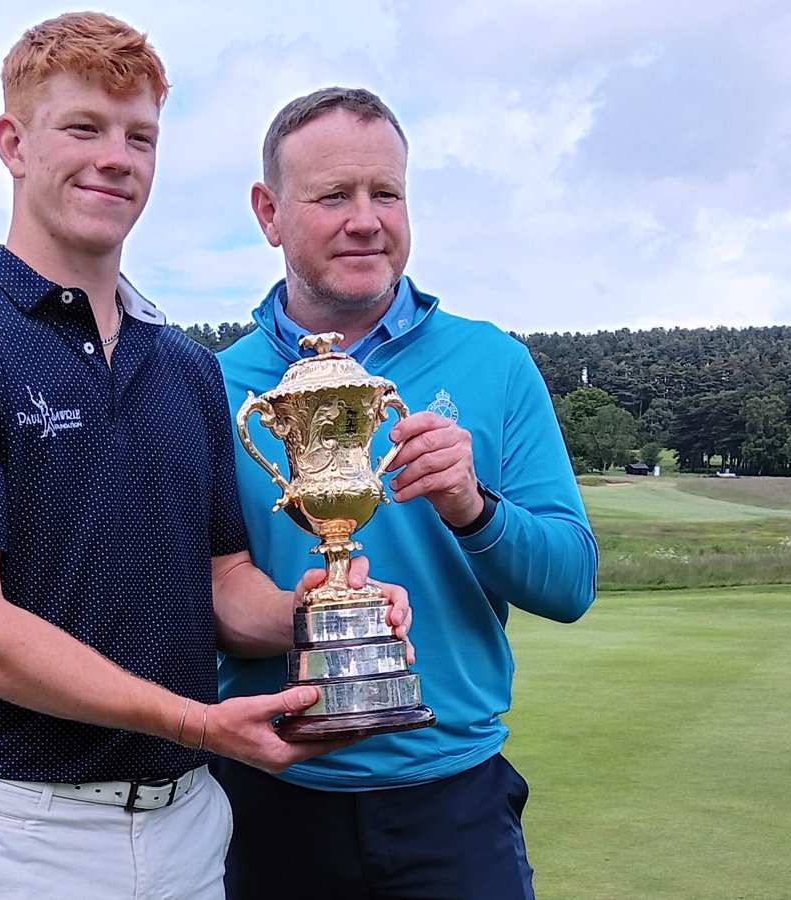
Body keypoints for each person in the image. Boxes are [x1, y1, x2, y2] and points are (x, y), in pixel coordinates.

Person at [0, 22, 409, 900]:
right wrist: (196, 722)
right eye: (84, 128)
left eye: (140, 136)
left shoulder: (188, 368)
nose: (117, 158)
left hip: (190, 824)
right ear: (14, 143)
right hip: (20, 831)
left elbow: (223, 587)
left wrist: (320, 612)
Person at [214, 87, 599, 900]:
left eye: (385, 192)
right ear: (268, 212)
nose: (366, 219)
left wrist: (473, 507)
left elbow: (570, 585)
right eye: (332, 196)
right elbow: (196, 598)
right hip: (266, 803)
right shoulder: (215, 388)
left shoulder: (493, 363)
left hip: (452, 802)